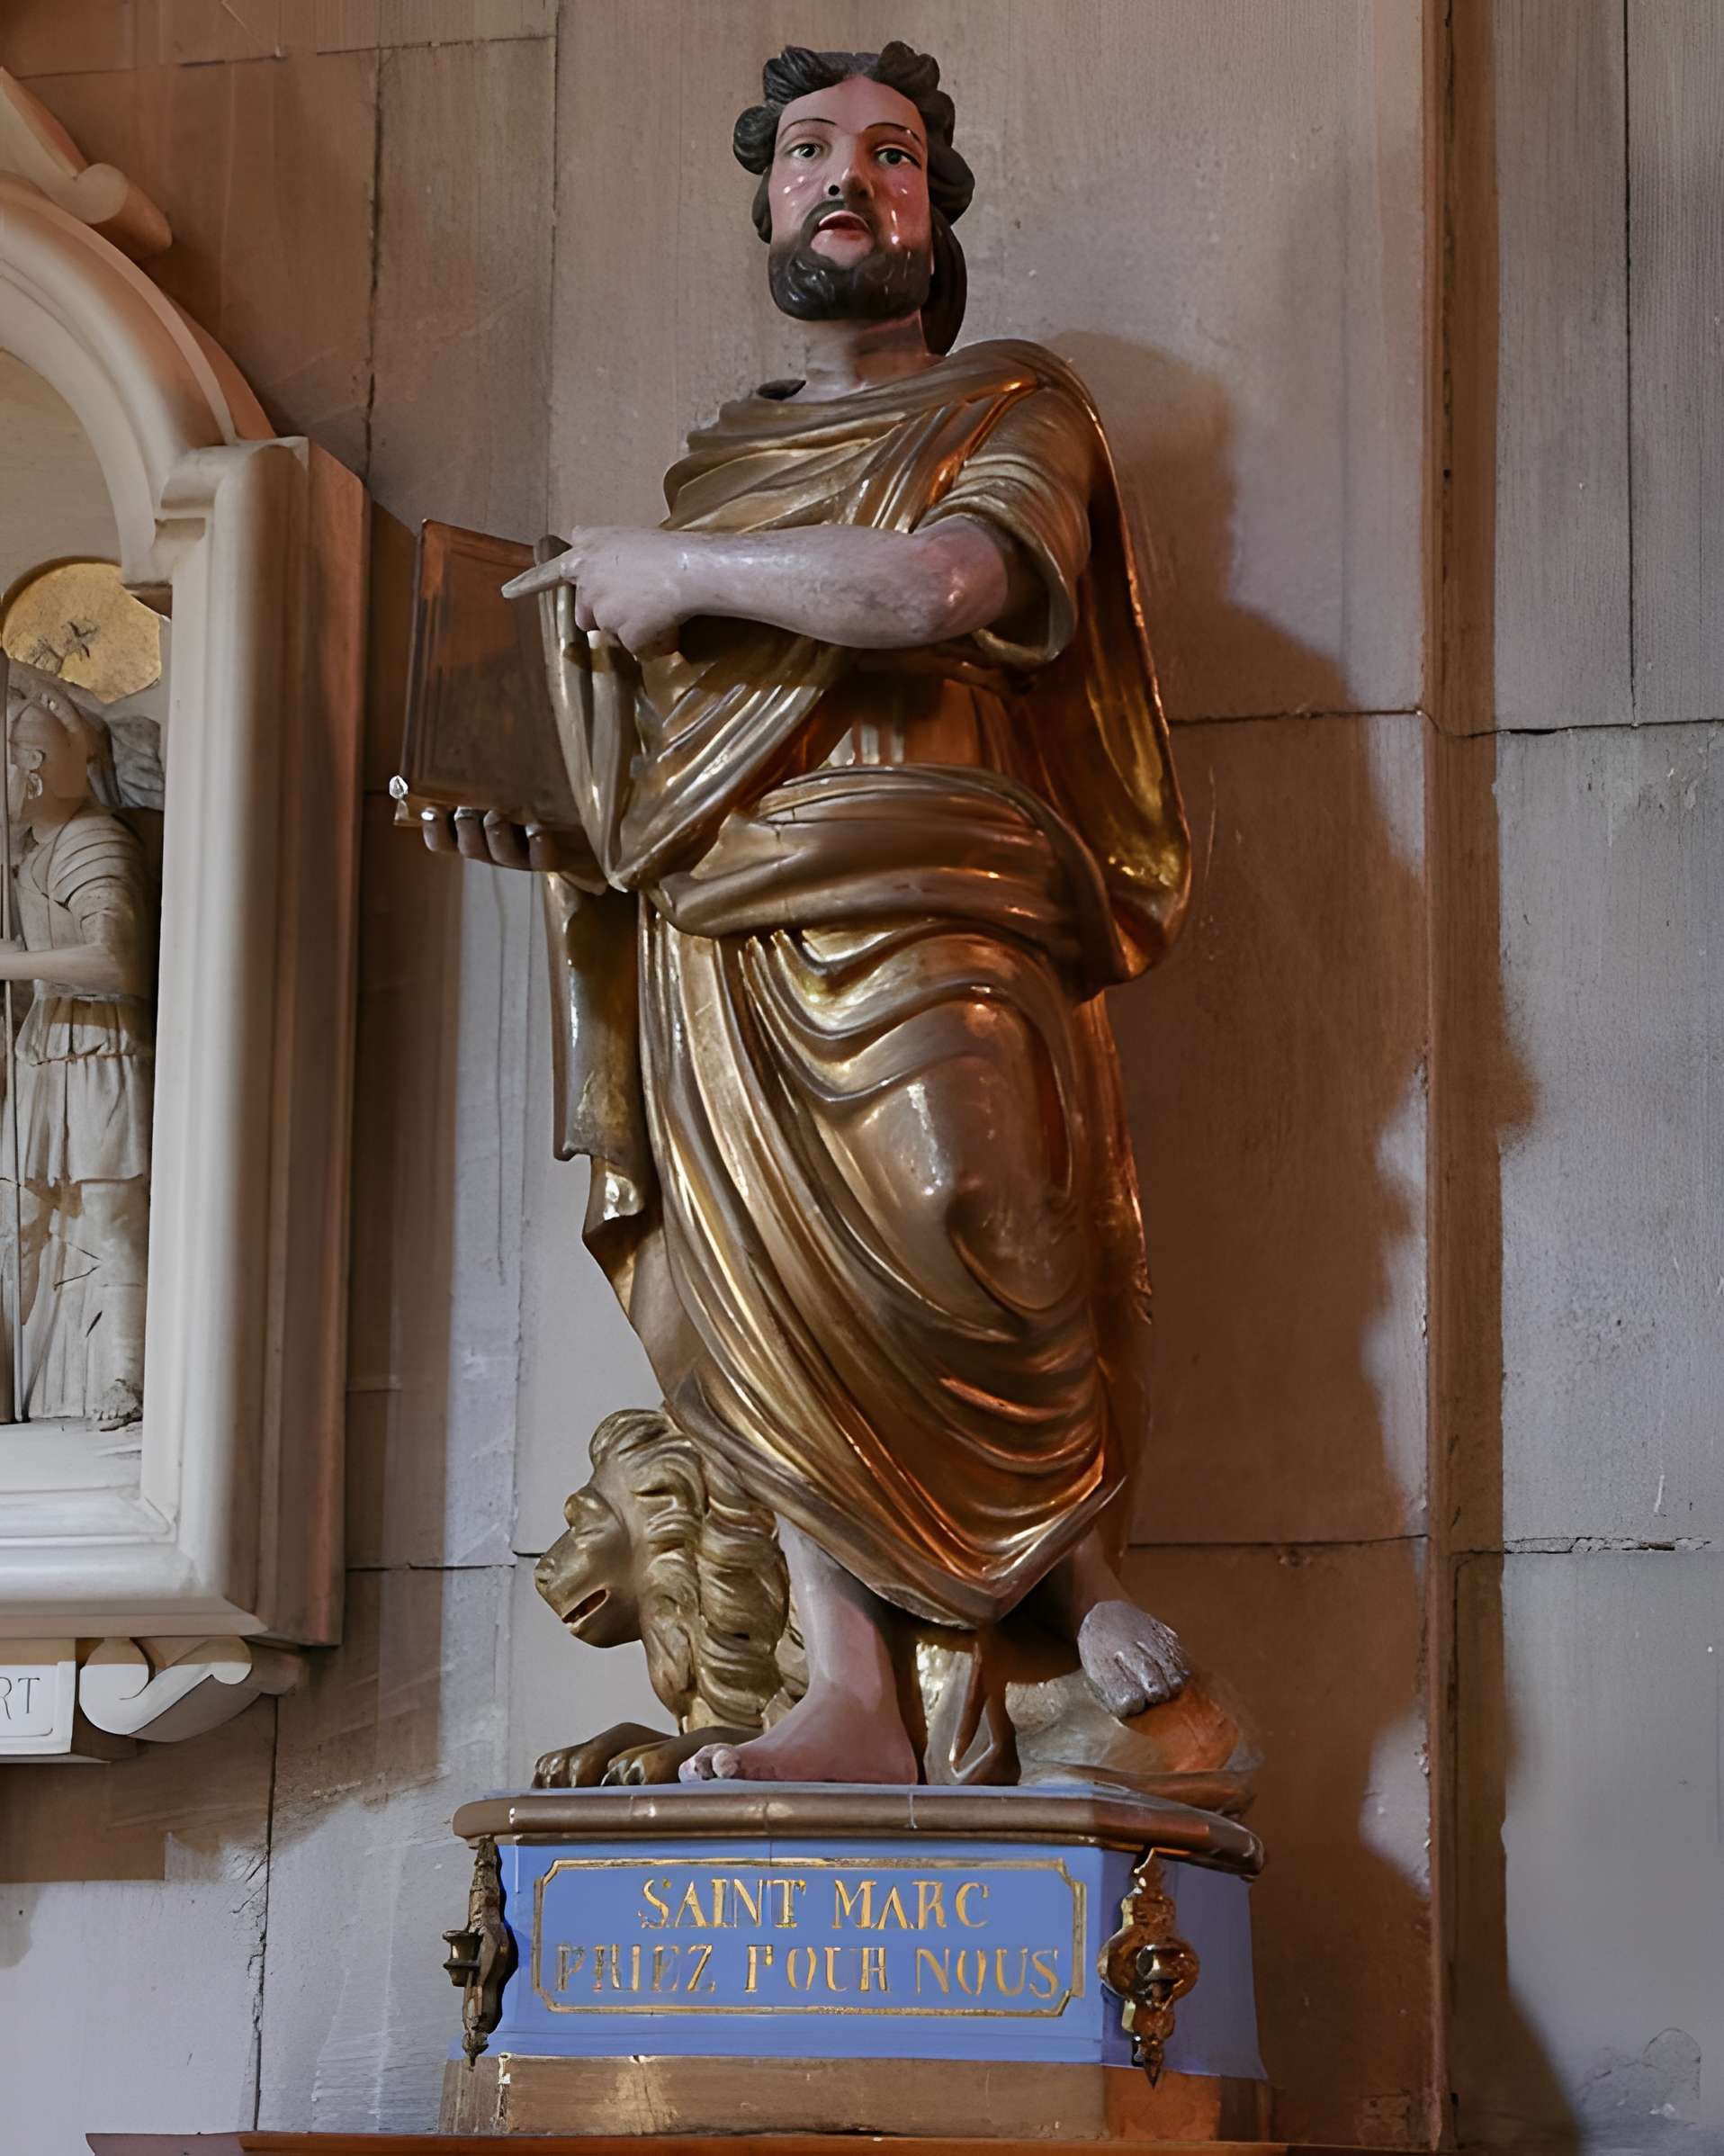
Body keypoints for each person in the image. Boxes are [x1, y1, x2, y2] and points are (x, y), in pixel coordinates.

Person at [435, 43, 1194, 1783]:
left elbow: (942, 586)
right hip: (721, 925)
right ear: (765, 199)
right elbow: (649, 750)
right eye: (807, 152)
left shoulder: (1013, 404)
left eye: (893, 152)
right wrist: (540, 813)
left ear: (937, 207)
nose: (847, 177)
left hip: (934, 881)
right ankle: (843, 1686)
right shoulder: (719, 470)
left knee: (985, 1201)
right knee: (760, 1297)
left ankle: (1078, 1574)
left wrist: (675, 571)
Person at [0, 667, 153, 1429]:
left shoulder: (92, 842)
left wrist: (12, 964)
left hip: (99, 1049)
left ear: (34, 768)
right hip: (45, 1053)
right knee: (18, 1222)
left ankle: (124, 1380)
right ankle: (16, 1388)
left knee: (108, 1216)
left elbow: (118, 961)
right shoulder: (30, 852)